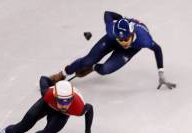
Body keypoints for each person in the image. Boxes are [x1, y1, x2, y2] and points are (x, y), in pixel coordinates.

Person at [48, 11, 176, 89]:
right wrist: (120, 18)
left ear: (132, 34)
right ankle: (63, 73)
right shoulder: (111, 30)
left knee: (105, 70)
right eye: (121, 40)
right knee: (88, 59)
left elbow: (157, 49)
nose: (124, 43)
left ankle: (92, 68)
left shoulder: (144, 39)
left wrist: (161, 73)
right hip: (111, 40)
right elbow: (107, 14)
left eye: (126, 40)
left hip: (129, 51)